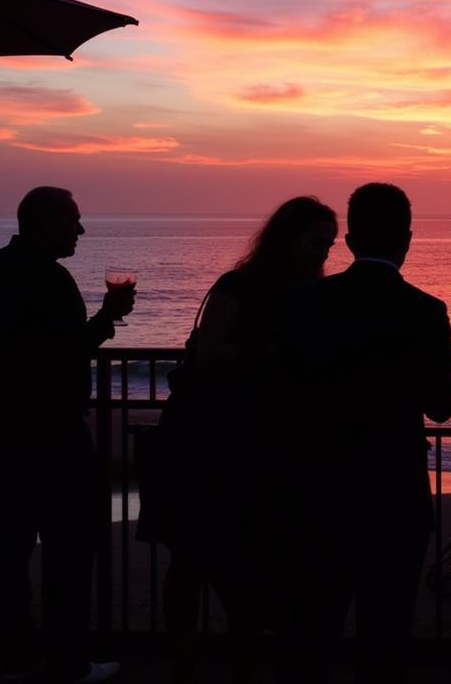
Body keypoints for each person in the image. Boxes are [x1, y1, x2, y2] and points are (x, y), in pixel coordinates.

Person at [138, 196, 338, 684]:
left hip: (258, 438)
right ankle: (188, 660)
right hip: (209, 438)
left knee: (239, 556)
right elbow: (209, 353)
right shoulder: (240, 286)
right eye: (316, 242)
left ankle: (234, 658)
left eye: (328, 244)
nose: (322, 252)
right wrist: (275, 350)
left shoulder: (308, 291)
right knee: (194, 553)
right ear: (287, 238)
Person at [276, 183, 451, 684]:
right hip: (394, 486)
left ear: (351, 239)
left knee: (314, 624)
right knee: (387, 628)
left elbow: (284, 388)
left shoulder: (307, 301)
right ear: (407, 239)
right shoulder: (425, 310)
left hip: (318, 483)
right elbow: (443, 407)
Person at [0, 187, 134, 684]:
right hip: (53, 431)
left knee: (10, 545)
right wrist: (107, 316)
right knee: (70, 549)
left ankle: (17, 659)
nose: (80, 230)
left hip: (0, 426)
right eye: (72, 220)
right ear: (45, 222)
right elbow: (66, 353)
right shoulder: (51, 280)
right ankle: (68, 664)